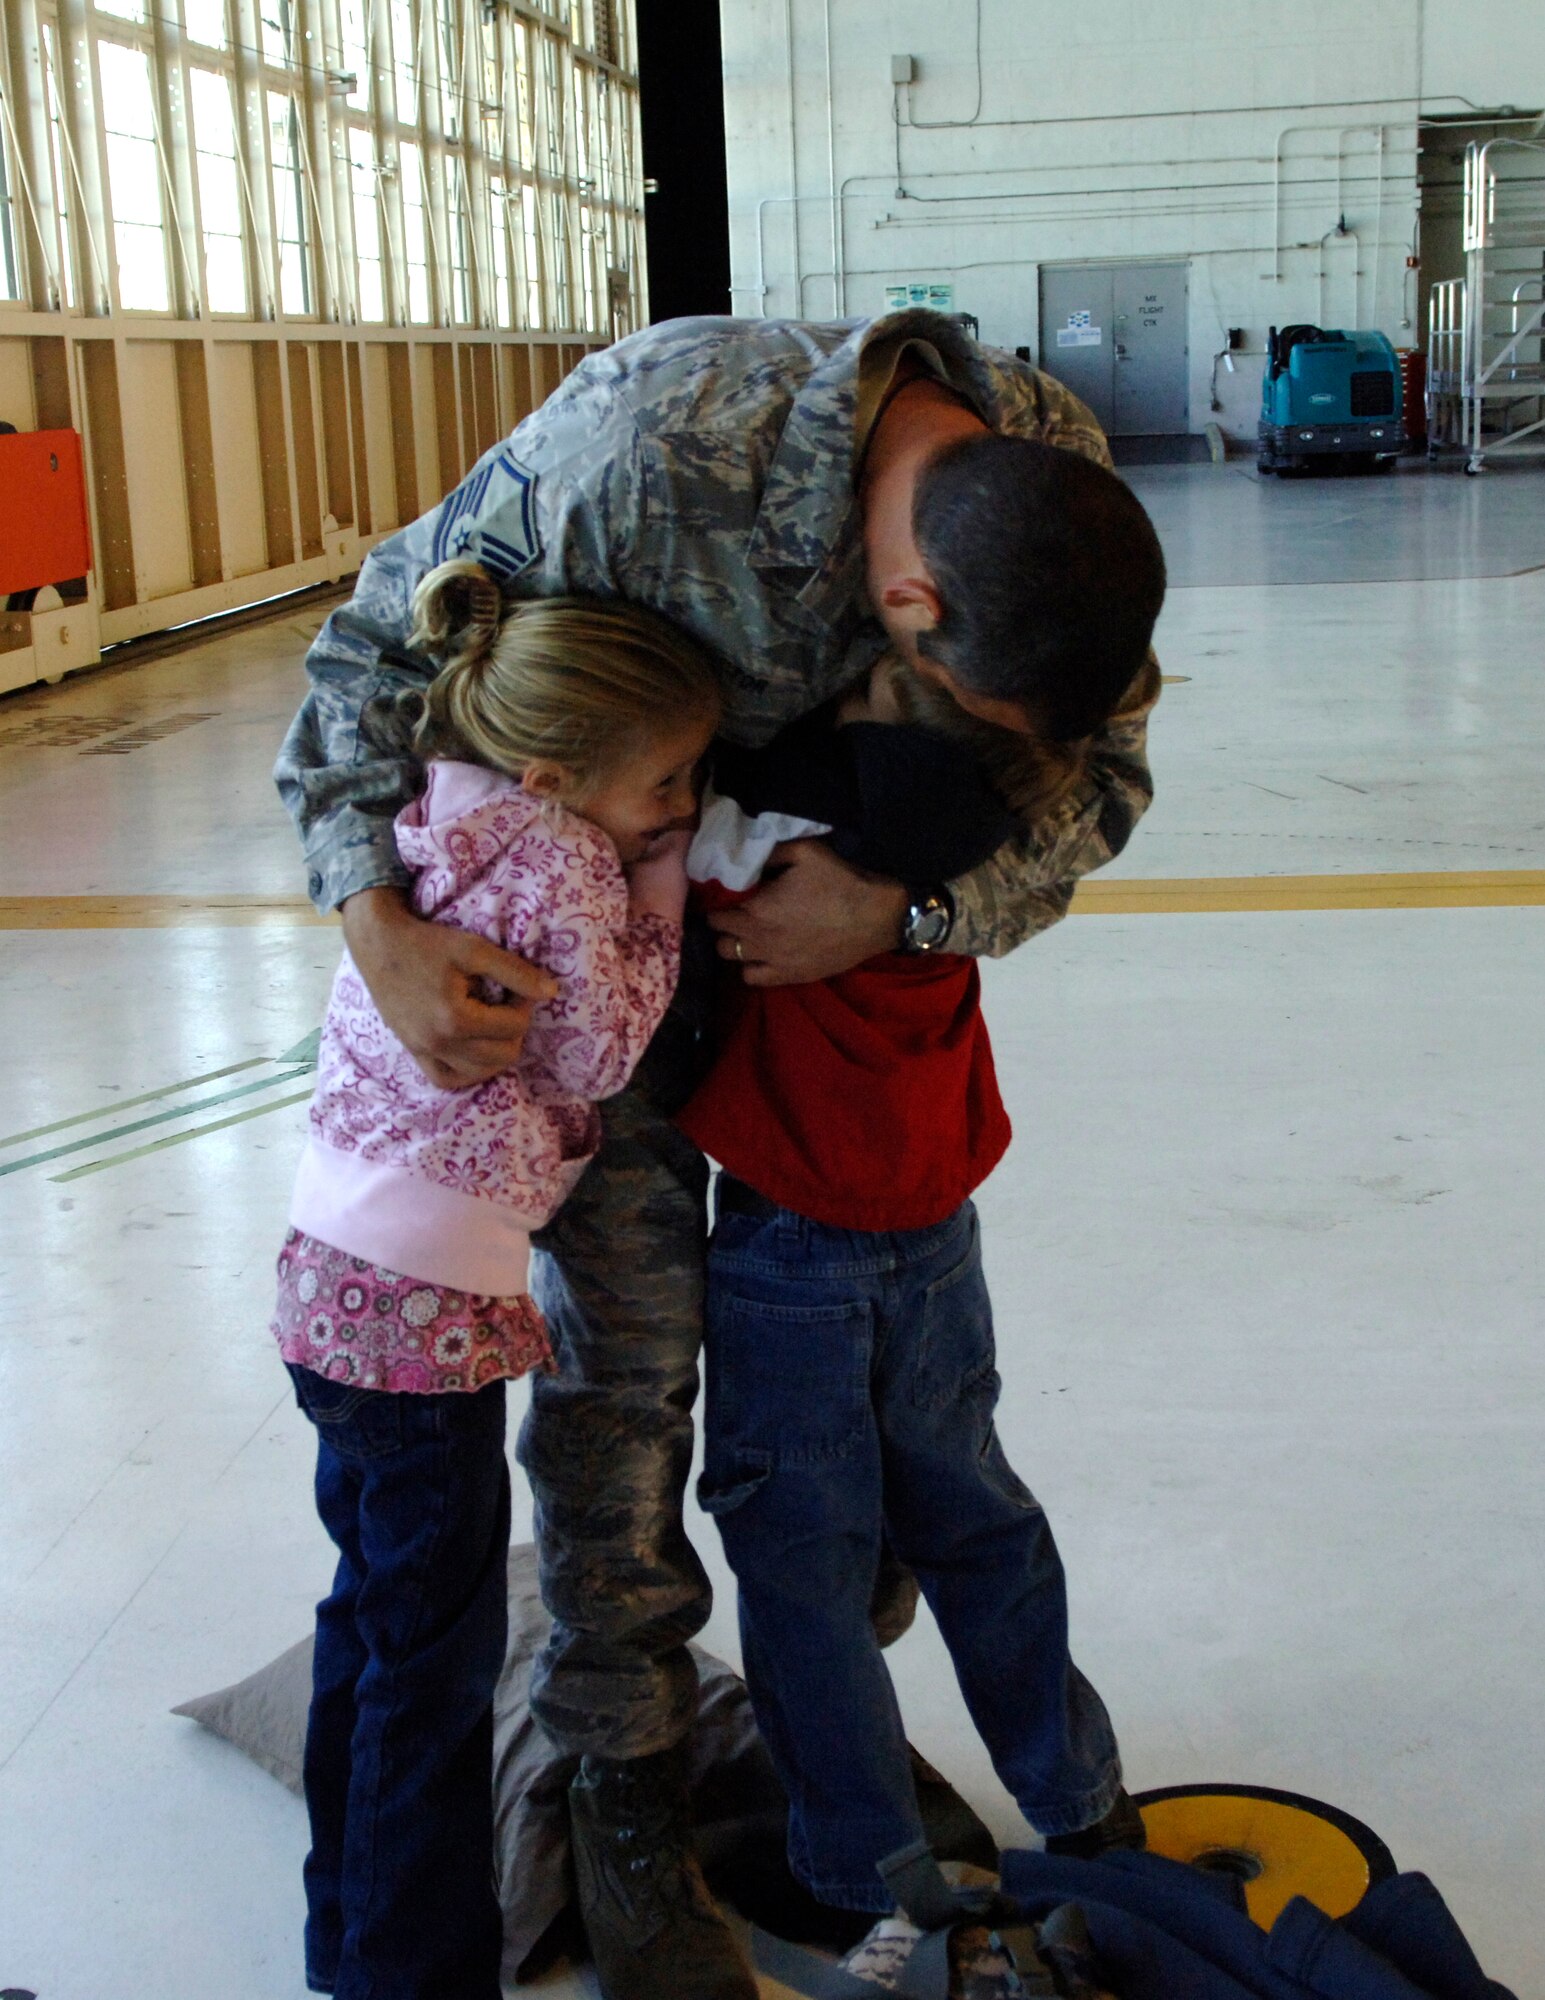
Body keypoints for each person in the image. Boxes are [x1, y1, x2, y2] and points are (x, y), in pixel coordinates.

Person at [276, 308, 1163, 2000]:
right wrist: (375, 918)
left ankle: (813, 1736)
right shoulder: (643, 457)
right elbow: (368, 652)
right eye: (950, 692)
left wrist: (904, 906)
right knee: (622, 1382)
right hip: (575, 994)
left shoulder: (1054, 494)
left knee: (851, 1427)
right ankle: (620, 1763)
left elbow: (1093, 791)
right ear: (905, 601)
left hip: (825, 1017)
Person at [677, 444, 1165, 1973]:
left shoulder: (766, 844)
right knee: (973, 1516)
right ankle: (1078, 1804)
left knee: (802, 1562)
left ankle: (860, 1870)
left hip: (786, 1251)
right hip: (935, 1235)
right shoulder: (948, 857)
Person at [272, 561, 720, 2000]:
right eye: (668, 779)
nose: (683, 803)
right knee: (437, 1658)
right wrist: (658, 881)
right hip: (426, 1314)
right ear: (556, 771)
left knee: (375, 1611)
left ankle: (341, 1924)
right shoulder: (572, 863)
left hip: (331, 1275)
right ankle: (409, 1971)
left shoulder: (443, 814)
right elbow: (598, 1051)